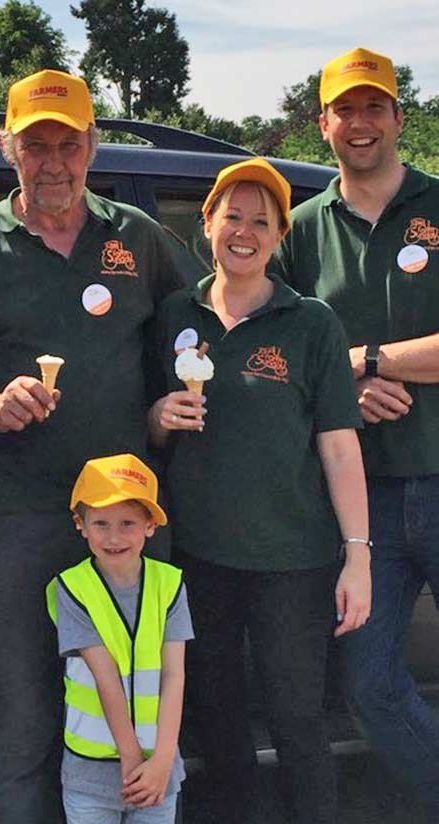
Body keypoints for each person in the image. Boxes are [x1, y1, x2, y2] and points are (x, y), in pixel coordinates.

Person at [0, 68, 184, 823]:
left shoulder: (138, 237)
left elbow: (204, 326)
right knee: (26, 721)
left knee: (137, 714)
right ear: (8, 149)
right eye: (36, 145)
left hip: (130, 518)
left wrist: (174, 401)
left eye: (68, 144)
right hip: (22, 518)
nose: (54, 163)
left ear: (92, 146)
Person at [148, 158, 371, 823]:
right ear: (206, 224)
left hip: (292, 561)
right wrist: (157, 418)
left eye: (261, 222)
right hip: (198, 557)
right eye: (232, 217)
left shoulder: (310, 325)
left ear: (277, 236)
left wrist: (357, 553)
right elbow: (147, 430)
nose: (243, 233)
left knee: (298, 718)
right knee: (216, 719)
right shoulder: (173, 316)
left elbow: (338, 444)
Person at [272, 46, 439, 816]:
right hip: (361, 504)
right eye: (346, 109)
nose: (360, 123)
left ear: (399, 118)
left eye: (375, 107)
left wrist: (370, 360)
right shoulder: (301, 230)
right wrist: (347, 386)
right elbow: (279, 357)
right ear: (323, 124)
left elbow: (329, 355)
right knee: (369, 686)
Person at [46, 453, 192, 824]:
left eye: (128, 522)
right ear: (81, 525)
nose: (114, 536)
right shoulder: (71, 588)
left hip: (157, 771)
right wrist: (131, 759)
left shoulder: (170, 584)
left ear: (150, 525)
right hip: (90, 776)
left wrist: (161, 761)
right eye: (101, 523)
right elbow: (104, 675)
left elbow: (174, 676)